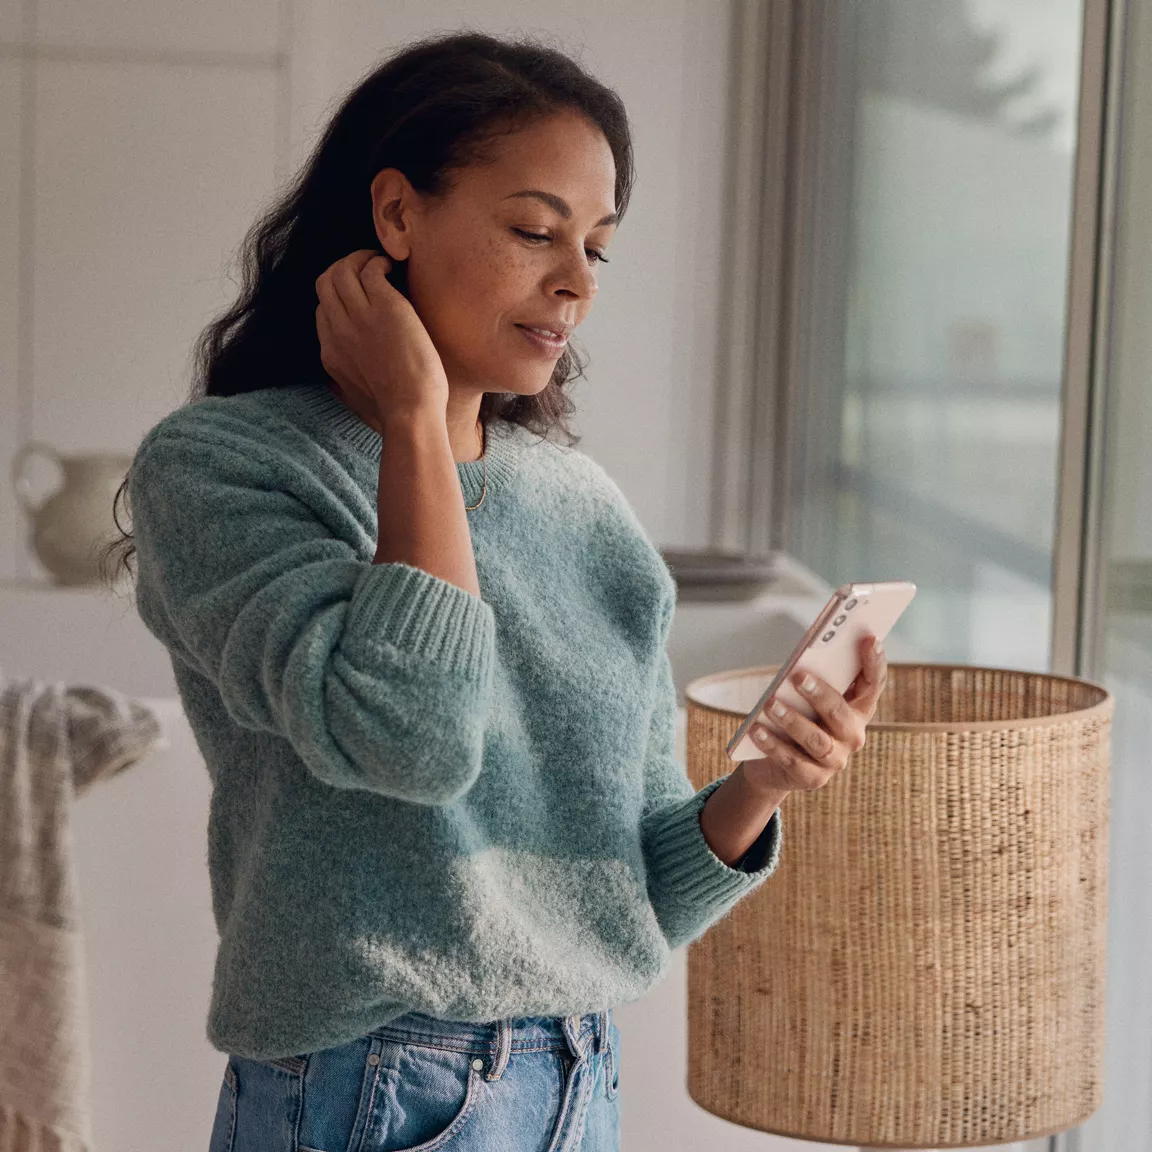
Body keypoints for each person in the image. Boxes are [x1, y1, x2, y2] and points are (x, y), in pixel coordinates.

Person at [102, 28, 888, 1152]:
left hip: (574, 1078)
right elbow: (410, 738)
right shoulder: (224, 467)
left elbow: (631, 900)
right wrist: (415, 420)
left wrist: (759, 784)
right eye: (533, 230)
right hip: (373, 1088)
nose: (574, 281)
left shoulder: (582, 507)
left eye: (598, 248)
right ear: (396, 216)